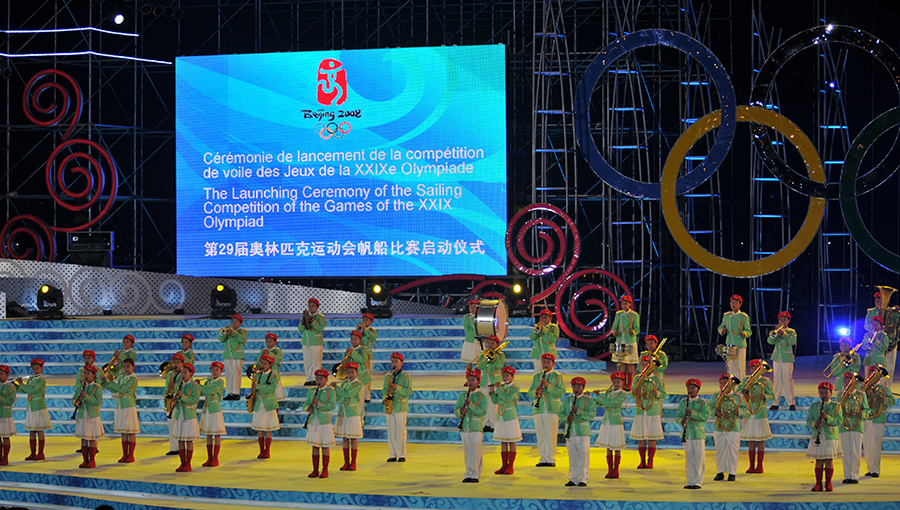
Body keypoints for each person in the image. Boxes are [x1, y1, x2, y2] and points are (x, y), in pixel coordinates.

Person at [554, 376, 594, 486]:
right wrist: (567, 418)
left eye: (579, 386)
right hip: (570, 431)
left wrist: (579, 412)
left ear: (583, 387)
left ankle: (584, 478)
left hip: (582, 431)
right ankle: (573, 477)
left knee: (583, 455)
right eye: (574, 386)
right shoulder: (568, 400)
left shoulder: (588, 400)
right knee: (572, 455)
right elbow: (561, 412)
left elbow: (591, 414)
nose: (576, 389)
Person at [527, 352, 566, 467]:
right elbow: (530, 392)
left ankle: (550, 458)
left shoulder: (557, 376)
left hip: (551, 408)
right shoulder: (536, 376)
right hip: (539, 408)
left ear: (553, 364)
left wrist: (548, 386)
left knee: (551, 433)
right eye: (544, 362)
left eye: (548, 362)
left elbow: (561, 392)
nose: (545, 364)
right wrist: (536, 391)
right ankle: (542, 457)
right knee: (541, 433)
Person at [101, 357, 140, 463]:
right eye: (124, 367)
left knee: (130, 431)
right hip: (120, 406)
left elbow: (122, 389)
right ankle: (124, 455)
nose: (126, 369)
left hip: (128, 406)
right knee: (123, 431)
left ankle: (131, 455)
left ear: (133, 367)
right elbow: (114, 388)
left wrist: (112, 381)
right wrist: (105, 382)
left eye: (128, 366)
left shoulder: (133, 379)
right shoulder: (122, 377)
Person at [631, 355, 666, 469]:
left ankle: (650, 460)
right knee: (641, 437)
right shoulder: (637, 378)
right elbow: (632, 392)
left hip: (652, 410)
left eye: (647, 365)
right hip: (641, 409)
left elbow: (664, 394)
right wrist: (634, 392)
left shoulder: (657, 379)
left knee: (652, 437)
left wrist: (658, 394)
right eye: (643, 365)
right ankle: (642, 461)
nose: (645, 367)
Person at [712, 373, 748, 481]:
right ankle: (720, 472)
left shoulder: (737, 398)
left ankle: (732, 472)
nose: (723, 385)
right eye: (721, 383)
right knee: (720, 450)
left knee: (732, 450)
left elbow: (746, 410)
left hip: (733, 427)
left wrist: (739, 412)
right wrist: (715, 412)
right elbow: (708, 409)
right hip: (719, 427)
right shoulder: (715, 397)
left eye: (726, 383)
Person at [677, 378, 711, 490]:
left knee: (699, 458)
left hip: (698, 433)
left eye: (693, 388)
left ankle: (698, 481)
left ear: (698, 390)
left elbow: (706, 416)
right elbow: (677, 416)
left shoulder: (703, 403)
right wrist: (681, 421)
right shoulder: (683, 402)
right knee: (689, 457)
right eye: (688, 388)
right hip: (687, 434)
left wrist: (693, 413)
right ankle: (690, 480)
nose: (690, 390)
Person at [807, 381, 841, 492]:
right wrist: (814, 424)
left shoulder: (836, 406)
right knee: (819, 460)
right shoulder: (814, 406)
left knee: (828, 460)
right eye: (822, 393)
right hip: (818, 435)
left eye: (826, 392)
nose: (824, 395)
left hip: (830, 436)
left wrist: (827, 417)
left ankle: (828, 483)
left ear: (831, 393)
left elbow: (838, 421)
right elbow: (808, 420)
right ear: (819, 393)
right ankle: (818, 484)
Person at [741, 359, 774, 473]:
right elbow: (740, 392)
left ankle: (760, 465)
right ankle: (751, 465)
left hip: (760, 413)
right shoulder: (746, 380)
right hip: (750, 411)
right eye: (752, 369)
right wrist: (744, 394)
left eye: (757, 368)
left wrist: (764, 396)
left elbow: (772, 396)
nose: (754, 371)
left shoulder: (765, 381)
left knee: (760, 440)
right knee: (751, 440)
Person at [455, 368, 488, 483]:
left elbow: (482, 412)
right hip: (465, 426)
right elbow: (456, 411)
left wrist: (471, 405)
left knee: (476, 450)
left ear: (478, 381)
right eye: (469, 379)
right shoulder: (462, 396)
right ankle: (468, 472)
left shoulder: (481, 396)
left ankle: (476, 473)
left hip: (475, 426)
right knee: (467, 450)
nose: (470, 382)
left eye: (473, 380)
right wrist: (461, 409)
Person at [837, 371, 870, 484]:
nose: (848, 384)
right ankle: (847, 475)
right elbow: (836, 410)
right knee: (845, 451)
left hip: (857, 426)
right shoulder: (839, 395)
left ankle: (855, 475)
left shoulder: (861, 395)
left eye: (850, 381)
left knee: (855, 451)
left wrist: (863, 414)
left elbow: (867, 409)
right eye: (846, 381)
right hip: (843, 426)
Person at [863, 364, 895, 478]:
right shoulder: (865, 388)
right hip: (867, 418)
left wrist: (884, 400)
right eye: (871, 373)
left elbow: (892, 401)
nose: (873, 376)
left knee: (876, 444)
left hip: (879, 418)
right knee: (867, 444)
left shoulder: (885, 389)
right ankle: (870, 468)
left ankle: (876, 469)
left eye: (875, 374)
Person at [16, 359, 50, 461]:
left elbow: (32, 390)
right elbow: (24, 390)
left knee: (39, 430)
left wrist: (22, 385)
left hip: (38, 407)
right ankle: (32, 453)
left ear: (41, 368)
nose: (35, 370)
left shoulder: (41, 380)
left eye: (37, 368)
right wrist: (16, 385)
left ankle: (40, 453)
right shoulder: (31, 378)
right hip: (31, 406)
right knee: (31, 430)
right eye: (33, 368)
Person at [489, 365, 521, 475]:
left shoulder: (515, 388)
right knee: (503, 440)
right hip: (501, 416)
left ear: (512, 376)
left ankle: (510, 466)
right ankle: (503, 465)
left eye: (507, 375)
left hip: (510, 416)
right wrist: (492, 392)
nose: (505, 377)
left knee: (511, 440)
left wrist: (499, 389)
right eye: (503, 375)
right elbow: (495, 400)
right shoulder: (501, 386)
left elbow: (507, 398)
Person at [594, 372, 626, 480]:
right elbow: (601, 403)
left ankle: (616, 470)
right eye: (614, 381)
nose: (616, 383)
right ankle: (609, 469)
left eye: (618, 381)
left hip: (615, 422)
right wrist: (591, 398)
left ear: (622, 382)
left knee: (616, 446)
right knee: (608, 446)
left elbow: (611, 403)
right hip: (607, 421)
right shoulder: (608, 392)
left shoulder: (622, 394)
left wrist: (599, 397)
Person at [332, 361, 363, 471]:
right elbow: (339, 397)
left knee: (353, 438)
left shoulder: (358, 384)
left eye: (352, 372)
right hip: (343, 412)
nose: (350, 374)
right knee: (344, 437)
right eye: (348, 372)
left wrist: (337, 388)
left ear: (356, 373)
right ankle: (346, 462)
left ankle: (353, 462)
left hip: (352, 413)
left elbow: (348, 394)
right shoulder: (344, 384)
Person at [306, 368, 337, 478]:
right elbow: (306, 403)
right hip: (314, 420)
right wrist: (308, 407)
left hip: (324, 421)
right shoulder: (311, 391)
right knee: (315, 445)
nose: (318, 381)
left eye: (321, 379)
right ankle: (315, 470)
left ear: (326, 379)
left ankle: (325, 469)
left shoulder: (330, 391)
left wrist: (318, 403)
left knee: (324, 445)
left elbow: (332, 405)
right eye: (317, 378)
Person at [249, 354, 280, 459]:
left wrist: (257, 386)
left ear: (270, 365)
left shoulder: (273, 375)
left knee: (268, 428)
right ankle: (261, 450)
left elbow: (271, 388)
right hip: (259, 403)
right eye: (261, 363)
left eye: (265, 363)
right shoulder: (258, 375)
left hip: (268, 404)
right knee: (260, 429)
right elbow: (254, 388)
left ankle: (268, 451)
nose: (262, 365)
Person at [383, 352, 412, 462]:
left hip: (400, 406)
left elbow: (408, 391)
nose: (394, 363)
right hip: (389, 406)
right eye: (392, 361)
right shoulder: (387, 376)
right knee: (391, 431)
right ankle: (392, 454)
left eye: (396, 361)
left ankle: (402, 454)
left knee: (400, 431)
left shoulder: (406, 376)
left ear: (402, 362)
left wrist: (396, 388)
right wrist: (384, 398)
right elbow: (384, 389)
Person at [73, 365, 103, 468]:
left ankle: (92, 460)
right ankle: (85, 460)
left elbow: (98, 402)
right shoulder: (81, 386)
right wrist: (75, 402)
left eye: (88, 373)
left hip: (92, 415)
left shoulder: (97, 387)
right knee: (83, 438)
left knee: (92, 439)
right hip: (82, 414)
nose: (86, 375)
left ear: (94, 375)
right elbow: (74, 398)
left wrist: (86, 396)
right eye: (85, 373)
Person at [866, 290, 897, 387]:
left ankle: (886, 387)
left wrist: (897, 312)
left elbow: (895, 325)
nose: (878, 302)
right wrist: (874, 328)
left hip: (888, 341)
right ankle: (869, 385)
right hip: (874, 339)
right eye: (877, 300)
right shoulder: (870, 311)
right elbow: (866, 325)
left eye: (881, 300)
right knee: (870, 365)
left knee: (889, 366)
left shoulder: (891, 311)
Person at [173, 363, 201, 472]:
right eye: (182, 372)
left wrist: (182, 396)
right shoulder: (178, 385)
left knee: (188, 440)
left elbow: (194, 400)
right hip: (179, 413)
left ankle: (188, 463)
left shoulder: (194, 385)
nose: (183, 374)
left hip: (189, 415)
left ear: (191, 373)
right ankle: (182, 463)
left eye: (185, 372)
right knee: (180, 439)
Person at [767, 311, 796, 410]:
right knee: (777, 380)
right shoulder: (776, 331)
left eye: (785, 319)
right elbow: (769, 341)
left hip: (787, 358)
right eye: (781, 319)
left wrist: (783, 334)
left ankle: (791, 402)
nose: (782, 321)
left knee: (787, 380)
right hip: (777, 358)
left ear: (788, 321)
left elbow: (792, 342)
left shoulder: (791, 331)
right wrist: (775, 334)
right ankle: (776, 402)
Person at [475, 334, 504, 432]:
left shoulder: (500, 355)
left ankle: (494, 424)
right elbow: (479, 366)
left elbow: (500, 366)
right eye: (489, 343)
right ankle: (486, 423)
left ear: (497, 344)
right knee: (485, 402)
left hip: (495, 381)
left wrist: (493, 357)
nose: (490, 345)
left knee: (493, 403)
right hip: (484, 381)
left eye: (492, 343)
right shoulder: (483, 353)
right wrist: (485, 358)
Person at [718, 295, 751, 380]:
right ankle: (731, 387)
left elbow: (749, 330)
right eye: (732, 302)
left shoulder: (744, 316)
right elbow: (721, 327)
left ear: (740, 304)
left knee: (740, 367)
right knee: (730, 366)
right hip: (730, 344)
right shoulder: (726, 315)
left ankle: (740, 388)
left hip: (740, 345)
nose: (733, 304)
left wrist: (744, 333)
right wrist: (722, 330)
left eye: (736, 302)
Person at [199, 361, 226, 467]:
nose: (214, 372)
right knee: (208, 434)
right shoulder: (208, 381)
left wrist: (199, 386)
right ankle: (209, 458)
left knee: (216, 433)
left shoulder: (220, 382)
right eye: (213, 370)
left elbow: (208, 391)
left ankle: (215, 458)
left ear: (221, 371)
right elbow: (203, 391)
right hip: (207, 408)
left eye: (217, 370)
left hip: (214, 409)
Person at [610, 295, 640, 390]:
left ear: (630, 304)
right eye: (622, 303)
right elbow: (614, 326)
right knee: (622, 363)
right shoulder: (618, 314)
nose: (624, 305)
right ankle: (622, 383)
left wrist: (633, 332)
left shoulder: (634, 315)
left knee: (630, 363)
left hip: (629, 341)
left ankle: (629, 383)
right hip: (620, 340)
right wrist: (614, 331)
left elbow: (637, 329)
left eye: (626, 303)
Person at [73, 349, 98, 454]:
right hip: (82, 397)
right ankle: (84, 445)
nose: (87, 360)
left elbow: (100, 384)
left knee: (91, 424)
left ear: (93, 359)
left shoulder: (97, 370)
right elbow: (78, 384)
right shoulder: (80, 371)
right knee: (83, 422)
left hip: (92, 400)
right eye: (85, 358)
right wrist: (77, 397)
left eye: (89, 358)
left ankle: (93, 446)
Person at [218, 314, 248, 400]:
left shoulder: (242, 331)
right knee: (229, 374)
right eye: (232, 321)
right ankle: (230, 392)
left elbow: (243, 340)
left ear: (240, 323)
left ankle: (236, 393)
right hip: (228, 355)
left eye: (236, 322)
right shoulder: (228, 331)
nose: (234, 323)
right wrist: (224, 333)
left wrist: (233, 332)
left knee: (236, 374)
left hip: (237, 355)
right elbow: (221, 340)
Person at [299, 298, 327, 386]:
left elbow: (320, 328)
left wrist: (311, 320)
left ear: (317, 307)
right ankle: (308, 378)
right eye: (309, 306)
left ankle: (316, 379)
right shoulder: (304, 316)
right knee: (307, 361)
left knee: (316, 361)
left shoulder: (321, 317)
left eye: (313, 306)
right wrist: (303, 322)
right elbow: (300, 329)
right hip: (306, 342)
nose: (311, 307)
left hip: (316, 341)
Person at [164, 353, 185, 455]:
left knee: (178, 426)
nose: (176, 364)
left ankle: (180, 447)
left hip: (179, 403)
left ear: (182, 363)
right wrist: (166, 398)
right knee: (171, 426)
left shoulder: (185, 374)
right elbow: (166, 387)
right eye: (174, 362)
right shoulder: (169, 374)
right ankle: (173, 447)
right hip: (170, 402)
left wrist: (175, 386)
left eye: (178, 362)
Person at [346, 330, 372, 415]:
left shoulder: (363, 349)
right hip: (351, 378)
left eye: (355, 339)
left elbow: (362, 359)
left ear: (360, 340)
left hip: (360, 377)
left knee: (360, 401)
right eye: (352, 339)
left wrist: (352, 353)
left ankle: (361, 420)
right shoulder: (349, 350)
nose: (353, 341)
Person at [529, 309, 560, 373]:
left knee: (548, 374)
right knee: (538, 373)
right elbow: (532, 337)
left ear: (550, 318)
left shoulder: (554, 327)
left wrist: (544, 330)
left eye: (545, 317)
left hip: (549, 353)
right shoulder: (537, 326)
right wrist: (536, 330)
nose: (543, 319)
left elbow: (553, 339)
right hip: (538, 353)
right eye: (541, 317)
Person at [257, 333, 285, 401]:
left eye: (271, 341)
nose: (268, 343)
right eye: (267, 341)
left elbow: (277, 360)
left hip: (273, 376)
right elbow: (258, 362)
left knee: (275, 398)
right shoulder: (263, 351)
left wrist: (269, 353)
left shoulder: (277, 351)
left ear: (275, 342)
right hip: (264, 376)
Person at [358, 313, 377, 402]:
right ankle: (360, 394)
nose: (364, 321)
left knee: (367, 375)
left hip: (368, 355)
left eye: (367, 320)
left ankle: (367, 396)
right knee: (359, 374)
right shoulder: (359, 329)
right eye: (364, 319)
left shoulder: (372, 330)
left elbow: (372, 338)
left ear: (371, 321)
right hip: (359, 354)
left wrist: (364, 330)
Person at [0, 365, 15, 465]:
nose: (0, 376)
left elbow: (10, 400)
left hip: (5, 414)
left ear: (7, 375)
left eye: (1, 374)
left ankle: (5, 457)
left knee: (5, 436)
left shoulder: (10, 386)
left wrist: (1, 398)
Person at [462, 299, 481, 371]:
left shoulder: (481, 317)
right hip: (470, 341)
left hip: (479, 342)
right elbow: (467, 329)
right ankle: (469, 378)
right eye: (471, 307)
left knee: (478, 362)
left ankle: (477, 379)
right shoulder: (466, 317)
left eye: (475, 307)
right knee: (469, 362)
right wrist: (477, 334)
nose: (473, 309)